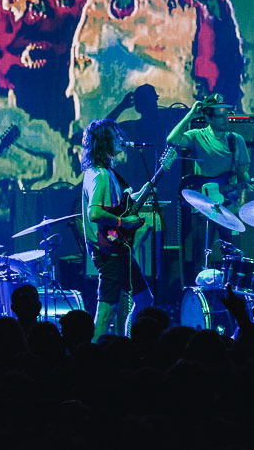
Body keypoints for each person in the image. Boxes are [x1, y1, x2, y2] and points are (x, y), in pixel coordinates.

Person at [167, 94, 254, 282]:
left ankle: (229, 291)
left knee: (231, 253)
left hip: (228, 205)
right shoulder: (196, 136)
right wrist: (190, 115)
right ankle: (199, 293)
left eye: (227, 114)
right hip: (202, 206)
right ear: (208, 118)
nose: (226, 118)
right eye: (220, 115)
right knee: (200, 252)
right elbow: (172, 140)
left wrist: (247, 181)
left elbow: (242, 173)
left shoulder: (236, 140)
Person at [81, 118, 153, 341]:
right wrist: (124, 223)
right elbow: (96, 214)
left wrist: (141, 194)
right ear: (104, 142)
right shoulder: (101, 176)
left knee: (143, 299)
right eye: (115, 136)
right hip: (110, 252)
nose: (121, 139)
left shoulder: (103, 172)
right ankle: (90, 356)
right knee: (106, 312)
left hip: (116, 249)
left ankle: (131, 343)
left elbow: (115, 207)